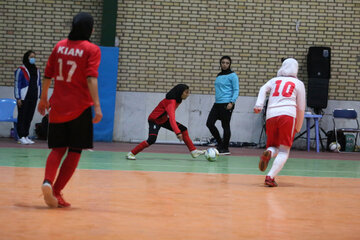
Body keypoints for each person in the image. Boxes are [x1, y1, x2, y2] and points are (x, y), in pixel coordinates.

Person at [37, 12, 102, 208]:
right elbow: (91, 78)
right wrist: (97, 106)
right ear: (90, 29)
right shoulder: (91, 49)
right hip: (80, 108)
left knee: (57, 149)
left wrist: (43, 99)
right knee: (74, 151)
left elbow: (48, 74)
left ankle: (47, 181)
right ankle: (56, 191)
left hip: (57, 106)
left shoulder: (60, 46)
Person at [254, 58, 306, 187]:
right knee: (284, 151)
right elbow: (301, 107)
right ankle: (270, 177)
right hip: (287, 115)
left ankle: (269, 153)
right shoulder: (298, 83)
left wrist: (259, 105)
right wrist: (298, 126)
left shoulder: (274, 80)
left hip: (271, 115)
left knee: (273, 145)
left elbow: (262, 89)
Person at [126, 84, 205, 160]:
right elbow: (172, 119)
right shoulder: (171, 102)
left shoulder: (178, 100)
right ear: (180, 92)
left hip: (163, 119)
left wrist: (179, 131)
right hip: (154, 120)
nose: (188, 94)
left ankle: (193, 151)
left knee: (183, 129)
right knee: (151, 140)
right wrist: (177, 132)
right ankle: (131, 153)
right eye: (186, 92)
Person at [206, 56, 239, 155]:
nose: (224, 64)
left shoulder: (233, 75)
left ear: (230, 64)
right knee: (209, 123)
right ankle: (220, 143)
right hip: (217, 103)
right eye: (223, 62)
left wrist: (232, 102)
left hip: (227, 103)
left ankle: (225, 148)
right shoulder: (219, 75)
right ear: (220, 64)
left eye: (227, 63)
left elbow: (236, 90)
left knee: (225, 126)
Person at [14, 50, 42, 144]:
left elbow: (39, 83)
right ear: (26, 58)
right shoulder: (20, 70)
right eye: (31, 57)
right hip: (23, 97)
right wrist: (18, 98)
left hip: (33, 96)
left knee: (29, 117)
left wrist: (40, 95)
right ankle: (20, 136)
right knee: (22, 116)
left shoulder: (36, 70)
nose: (33, 59)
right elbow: (17, 84)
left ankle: (26, 135)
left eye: (34, 57)